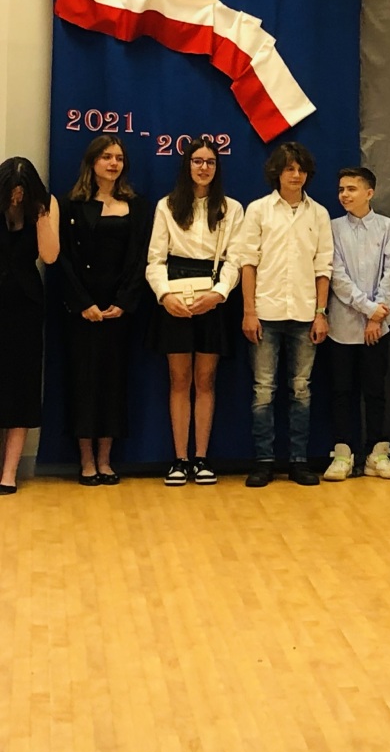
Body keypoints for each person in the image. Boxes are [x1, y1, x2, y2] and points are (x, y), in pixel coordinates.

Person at [234, 142, 334, 488]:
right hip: (266, 312)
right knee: (263, 390)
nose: (296, 175)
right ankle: (264, 461)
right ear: (277, 172)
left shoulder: (318, 214)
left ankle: (298, 461)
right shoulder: (259, 210)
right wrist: (249, 311)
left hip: (305, 314)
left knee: (301, 390)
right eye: (290, 168)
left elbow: (324, 267)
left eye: (301, 169)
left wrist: (321, 313)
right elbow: (248, 263)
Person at [146, 138, 242, 487]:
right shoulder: (167, 206)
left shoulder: (231, 208)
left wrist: (218, 294)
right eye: (197, 161)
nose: (204, 167)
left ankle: (201, 458)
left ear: (217, 168)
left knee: (205, 380)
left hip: (212, 299)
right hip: (175, 296)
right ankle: (179, 459)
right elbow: (155, 260)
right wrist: (164, 296)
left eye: (210, 162)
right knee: (179, 379)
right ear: (187, 165)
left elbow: (235, 259)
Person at [56, 135, 150, 485]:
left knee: (113, 383)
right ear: (92, 162)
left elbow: (141, 258)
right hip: (83, 308)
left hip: (118, 308)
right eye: (107, 157)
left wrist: (124, 302)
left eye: (119, 158)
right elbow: (63, 259)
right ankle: (86, 460)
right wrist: (83, 303)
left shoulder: (137, 206)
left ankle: (106, 460)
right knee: (83, 382)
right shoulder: (70, 205)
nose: (113, 163)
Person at [324, 167, 390, 481]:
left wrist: (376, 315)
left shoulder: (388, 227)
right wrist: (368, 309)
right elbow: (337, 277)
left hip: (379, 326)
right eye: (341, 189)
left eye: (351, 189)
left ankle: (377, 454)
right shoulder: (332, 228)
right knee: (341, 391)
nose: (344, 195)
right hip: (342, 325)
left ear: (369, 193)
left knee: (375, 390)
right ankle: (343, 454)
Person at [0, 158, 60, 495]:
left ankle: (9, 472)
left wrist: (40, 214)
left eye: (23, 192)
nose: (17, 197)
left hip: (25, 306)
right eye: (13, 191)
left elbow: (49, 256)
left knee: (21, 387)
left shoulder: (44, 206)